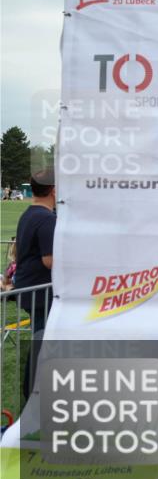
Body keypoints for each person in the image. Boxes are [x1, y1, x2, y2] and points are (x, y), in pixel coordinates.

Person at [15, 168, 56, 398]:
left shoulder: (29, 214)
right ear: (54, 190)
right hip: (40, 293)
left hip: (30, 290)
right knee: (43, 342)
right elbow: (49, 260)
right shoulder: (46, 218)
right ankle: (33, 391)